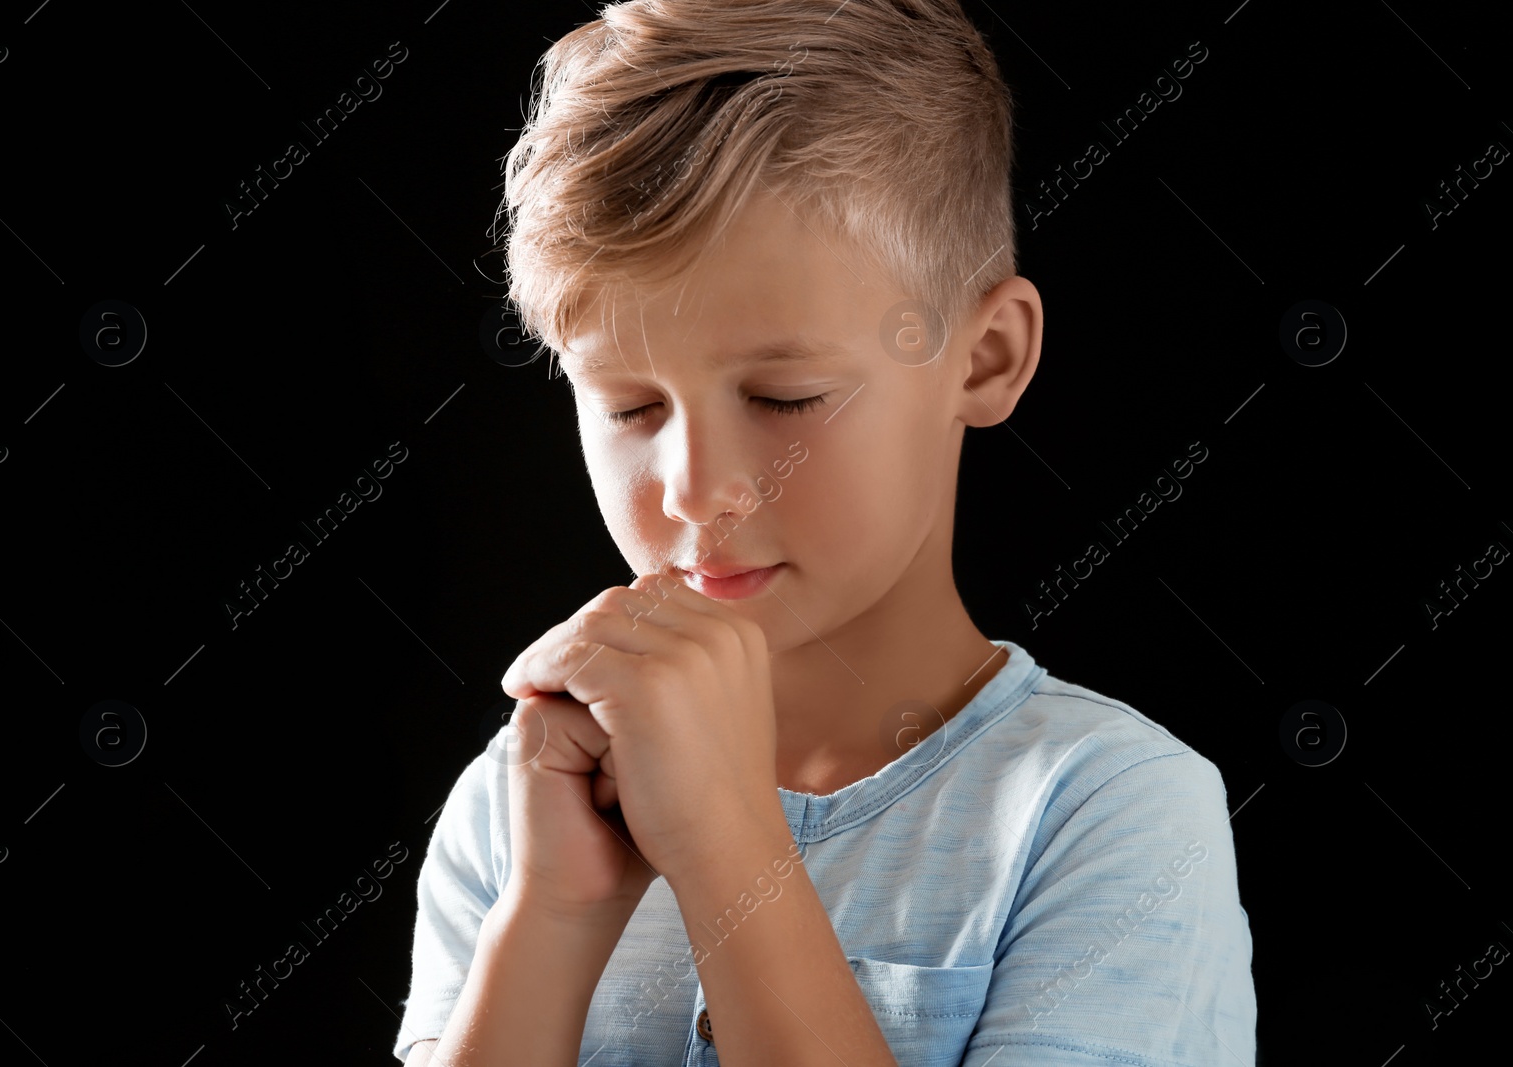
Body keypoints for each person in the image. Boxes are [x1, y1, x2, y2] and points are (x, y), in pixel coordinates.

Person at [395, 0, 1256, 1062]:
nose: (696, 491)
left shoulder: (1107, 811)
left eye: (786, 396)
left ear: (983, 358)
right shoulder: (519, 802)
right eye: (630, 406)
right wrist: (554, 916)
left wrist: (724, 846)